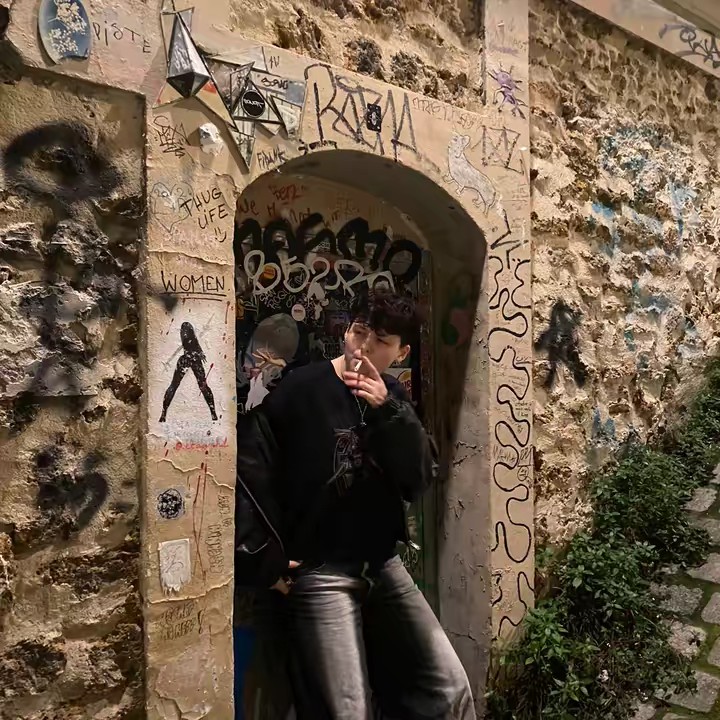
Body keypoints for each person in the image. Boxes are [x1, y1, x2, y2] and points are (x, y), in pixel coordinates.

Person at [235, 290, 475, 720]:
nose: (363, 348)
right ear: (346, 331)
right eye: (359, 333)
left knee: (450, 689)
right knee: (348, 712)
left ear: (400, 352)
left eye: (380, 341)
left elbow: (417, 479)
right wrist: (266, 560)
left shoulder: (394, 396)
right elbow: (249, 468)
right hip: (321, 570)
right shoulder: (302, 388)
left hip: (382, 563)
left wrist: (388, 410)